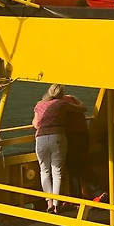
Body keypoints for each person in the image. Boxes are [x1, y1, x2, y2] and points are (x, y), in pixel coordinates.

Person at [33, 84, 83, 213]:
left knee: (44, 171)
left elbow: (36, 124)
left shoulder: (39, 105)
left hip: (41, 138)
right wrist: (76, 99)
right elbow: (82, 109)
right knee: (57, 172)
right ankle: (56, 205)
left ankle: (49, 203)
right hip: (57, 136)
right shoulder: (62, 104)